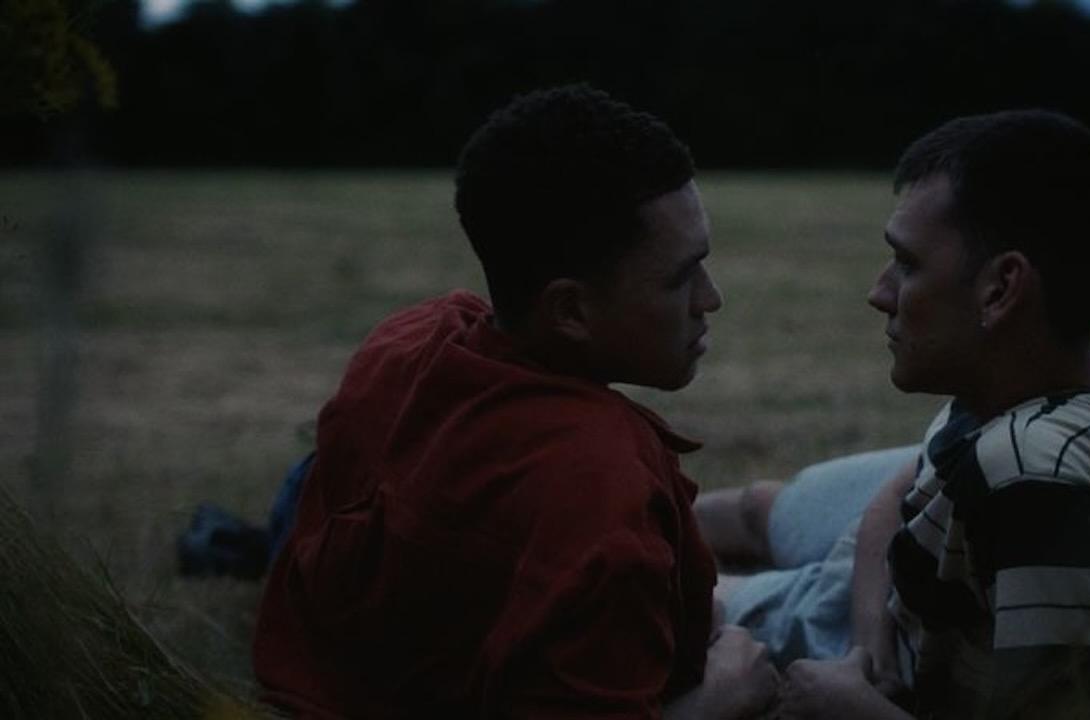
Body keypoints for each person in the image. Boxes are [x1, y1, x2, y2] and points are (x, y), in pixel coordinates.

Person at [252, 84, 779, 719]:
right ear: (571, 310)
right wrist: (726, 694)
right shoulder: (601, 486)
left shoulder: (405, 343)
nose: (710, 298)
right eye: (680, 277)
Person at [695, 109, 1090, 719]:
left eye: (907, 264)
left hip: (902, 606)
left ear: (1000, 289)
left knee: (692, 606)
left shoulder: (1035, 480)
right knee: (753, 510)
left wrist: (857, 704)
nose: (879, 293)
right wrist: (868, 645)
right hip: (901, 559)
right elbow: (900, 491)